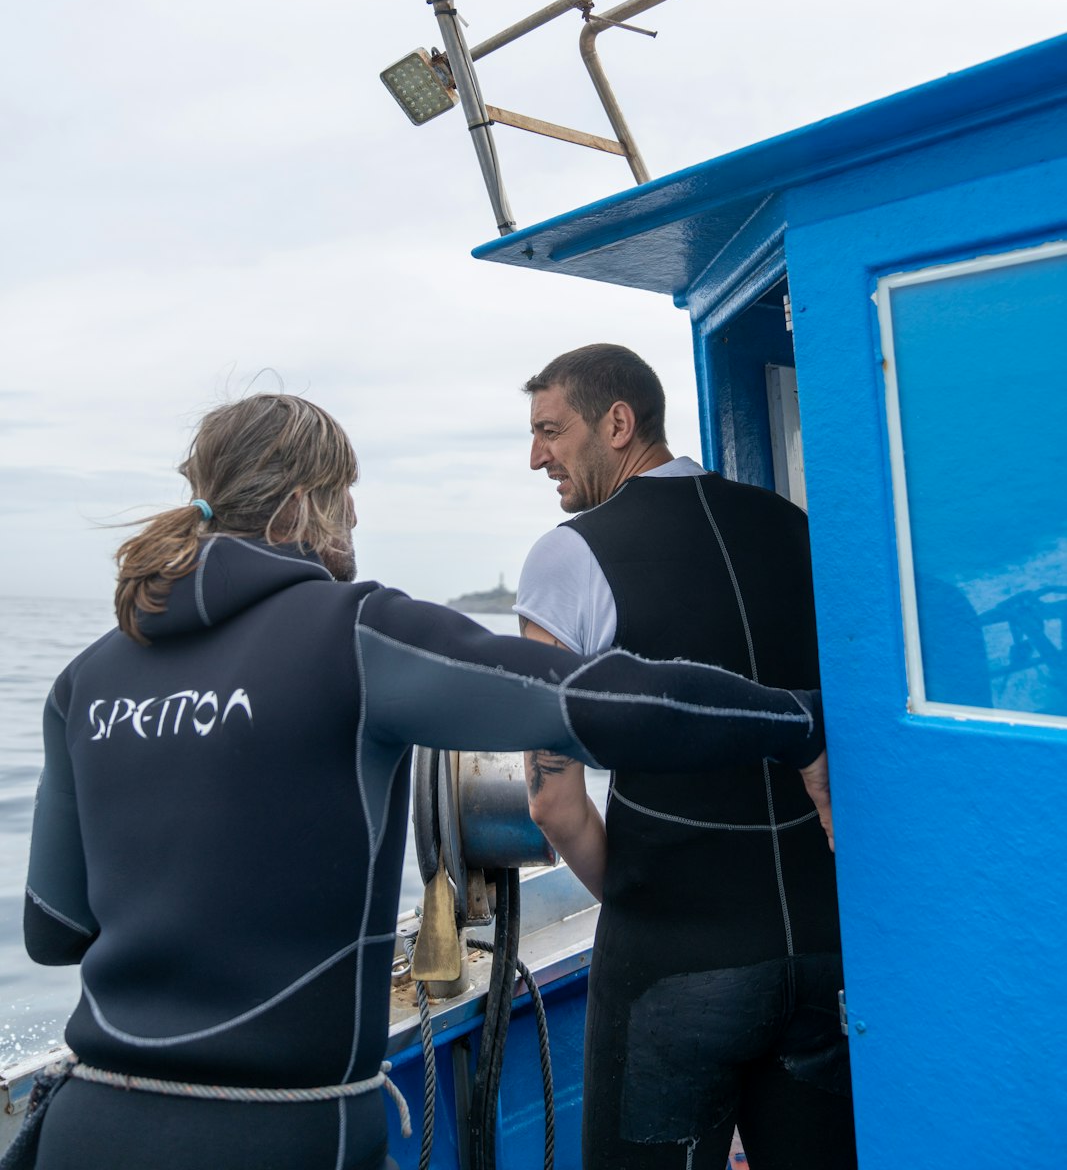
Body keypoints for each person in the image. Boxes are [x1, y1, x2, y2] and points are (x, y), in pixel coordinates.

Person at [19, 391, 831, 1170]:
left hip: (92, 1121)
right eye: (348, 495)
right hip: (284, 1132)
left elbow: (55, 933)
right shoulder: (353, 633)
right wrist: (796, 722)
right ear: (306, 504)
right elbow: (600, 701)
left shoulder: (85, 680)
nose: (358, 519)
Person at [517, 345, 854, 1170]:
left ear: (618, 423)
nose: (536, 457)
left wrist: (637, 901)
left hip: (673, 959)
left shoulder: (570, 553)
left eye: (550, 431)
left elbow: (552, 802)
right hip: (820, 945)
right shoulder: (790, 526)